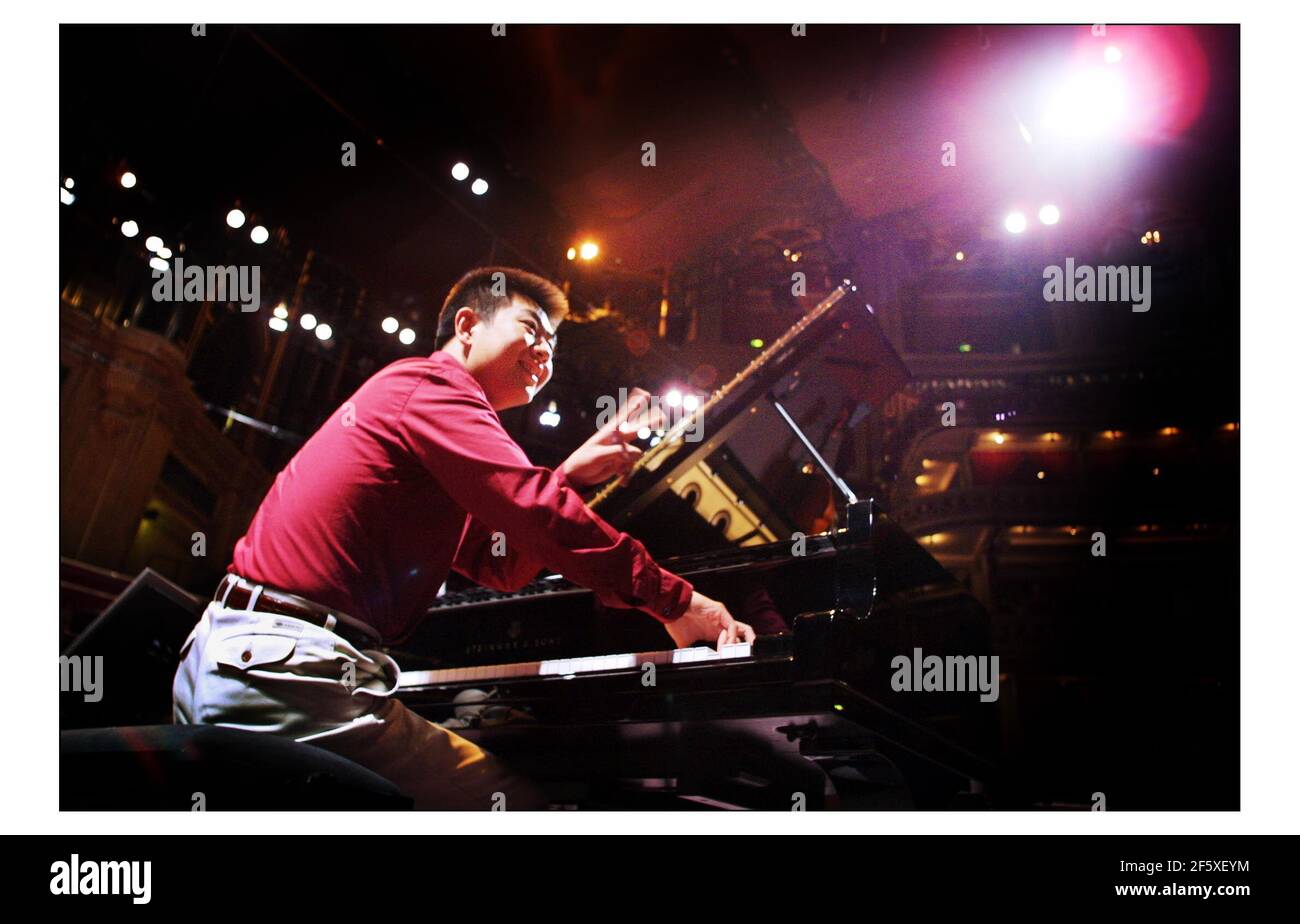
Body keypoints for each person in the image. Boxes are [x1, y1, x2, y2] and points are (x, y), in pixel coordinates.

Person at [172, 265, 754, 809]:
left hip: (253, 659)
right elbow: (531, 509)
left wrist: (569, 477)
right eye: (532, 329)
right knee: (519, 810)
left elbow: (494, 562)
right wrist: (677, 599)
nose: (546, 352)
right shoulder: (430, 383)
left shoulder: (430, 416)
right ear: (468, 325)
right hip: (284, 670)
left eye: (554, 343)